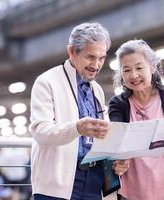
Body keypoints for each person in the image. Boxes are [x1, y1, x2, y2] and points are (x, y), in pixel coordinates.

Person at [30, 22, 128, 200]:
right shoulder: (47, 82)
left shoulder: (96, 89)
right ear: (72, 51)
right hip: (59, 183)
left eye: (102, 58)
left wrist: (116, 160)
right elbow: (41, 132)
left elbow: (100, 138)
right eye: (90, 57)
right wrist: (77, 128)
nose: (96, 65)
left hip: (95, 180)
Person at [108, 39, 164, 200]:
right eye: (126, 70)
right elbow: (117, 141)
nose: (133, 75)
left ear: (152, 67)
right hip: (132, 193)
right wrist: (118, 159)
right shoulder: (118, 104)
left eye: (139, 67)